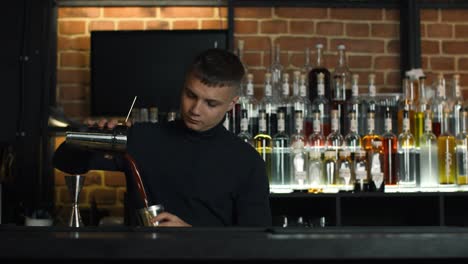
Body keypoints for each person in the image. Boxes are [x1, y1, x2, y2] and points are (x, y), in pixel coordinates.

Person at [53, 48, 272, 227]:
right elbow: (65, 162)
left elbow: (253, 243)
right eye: (190, 95)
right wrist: (90, 136)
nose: (195, 109)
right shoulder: (145, 138)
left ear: (232, 104)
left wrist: (192, 236)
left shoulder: (247, 162)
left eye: (211, 103)